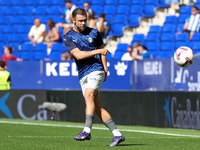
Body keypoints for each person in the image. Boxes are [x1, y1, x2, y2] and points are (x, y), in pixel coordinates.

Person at [63, 8, 125, 146]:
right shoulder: (68, 37)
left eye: (85, 20)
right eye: (80, 21)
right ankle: (117, 134)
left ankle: (86, 130)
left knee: (89, 96)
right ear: (73, 20)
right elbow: (78, 55)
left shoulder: (94, 32)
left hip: (96, 69)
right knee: (97, 108)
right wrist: (98, 51)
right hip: (83, 74)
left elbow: (103, 52)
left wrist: (105, 70)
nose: (83, 23)